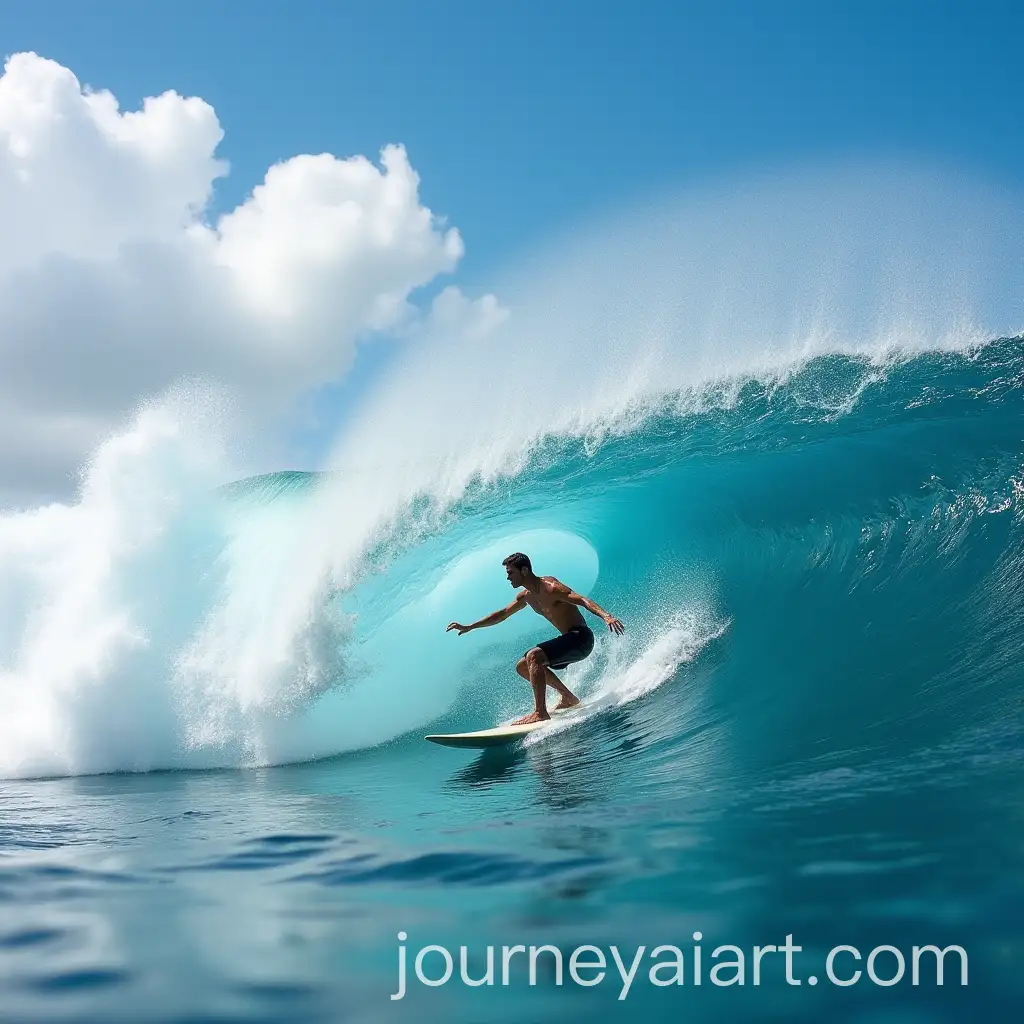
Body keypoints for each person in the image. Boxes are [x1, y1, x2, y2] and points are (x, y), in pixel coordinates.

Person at [446, 552, 625, 725]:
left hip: (581, 639)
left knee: (534, 656)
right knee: (523, 666)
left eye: (510, 573)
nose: (508, 578)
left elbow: (582, 600)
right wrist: (470, 626)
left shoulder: (551, 587)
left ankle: (540, 713)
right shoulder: (526, 596)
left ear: (524, 570)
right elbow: (502, 614)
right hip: (568, 640)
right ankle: (568, 697)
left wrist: (606, 616)